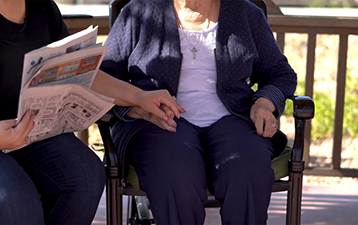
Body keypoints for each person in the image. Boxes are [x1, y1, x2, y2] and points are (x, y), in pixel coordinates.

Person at [0, 0, 183, 224]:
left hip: (23, 131)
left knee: (84, 176)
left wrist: (138, 97)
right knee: (11, 201)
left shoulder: (42, 7)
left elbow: (81, 74)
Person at [100, 0, 297, 224]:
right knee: (175, 175)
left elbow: (280, 73)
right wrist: (137, 108)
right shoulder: (138, 12)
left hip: (234, 118)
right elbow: (103, 78)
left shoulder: (245, 13)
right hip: (158, 122)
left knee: (246, 172)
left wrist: (264, 103)